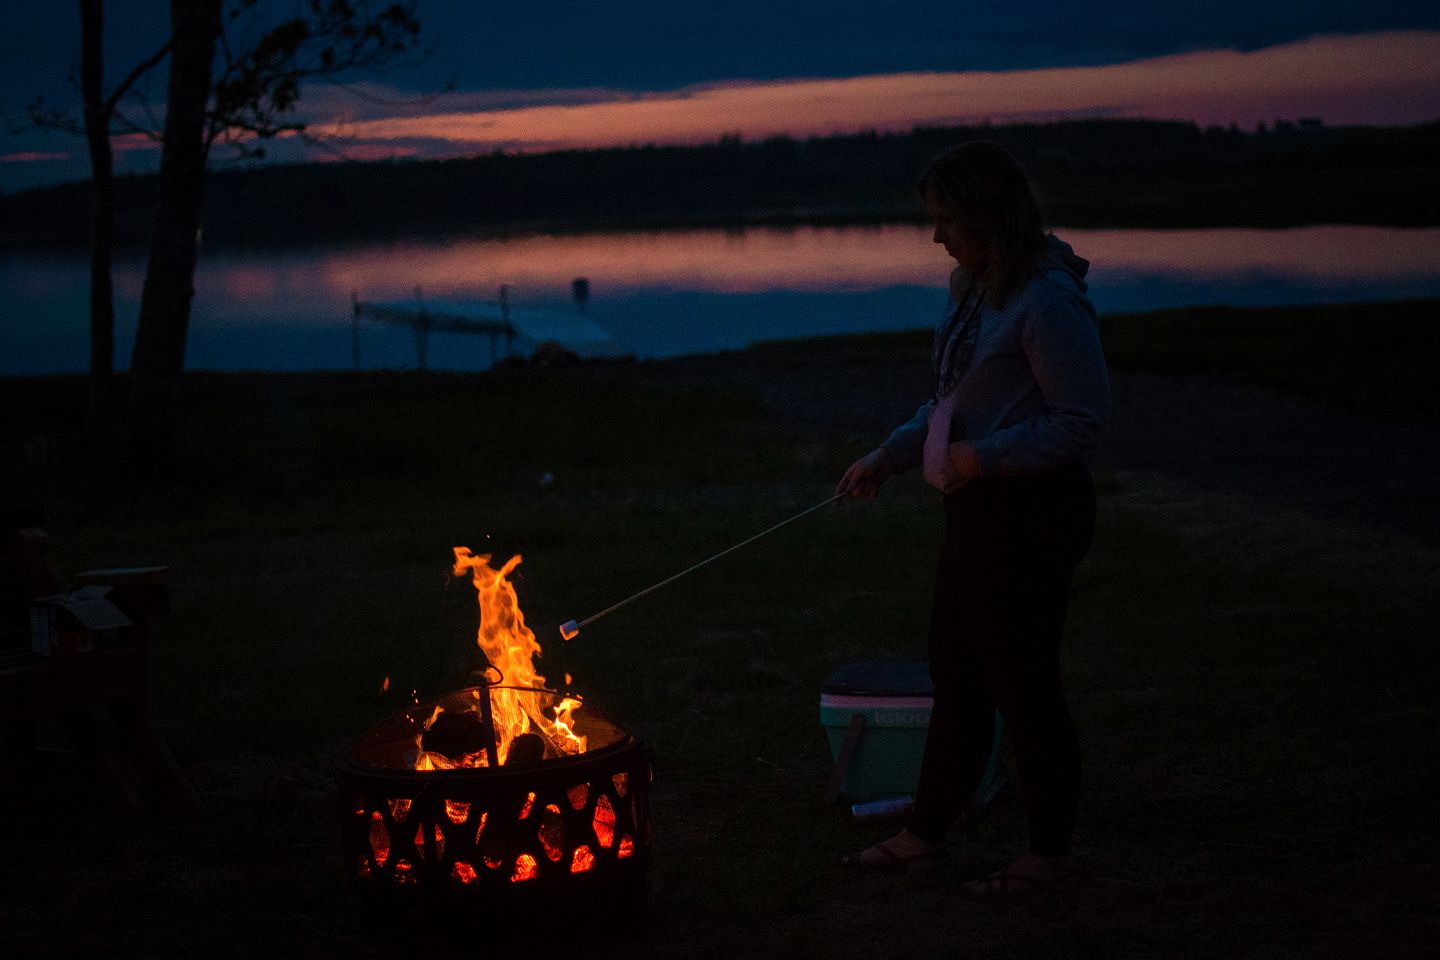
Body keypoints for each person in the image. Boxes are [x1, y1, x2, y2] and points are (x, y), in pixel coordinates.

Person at [835, 140, 1110, 894]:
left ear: (991, 216)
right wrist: (892, 454)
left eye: (947, 219)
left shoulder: (1047, 300)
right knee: (956, 675)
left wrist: (982, 459)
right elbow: (955, 404)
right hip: (978, 513)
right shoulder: (973, 291)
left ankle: (1050, 854)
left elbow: (1083, 420)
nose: (937, 236)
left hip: (1032, 513)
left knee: (1024, 686)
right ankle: (926, 831)